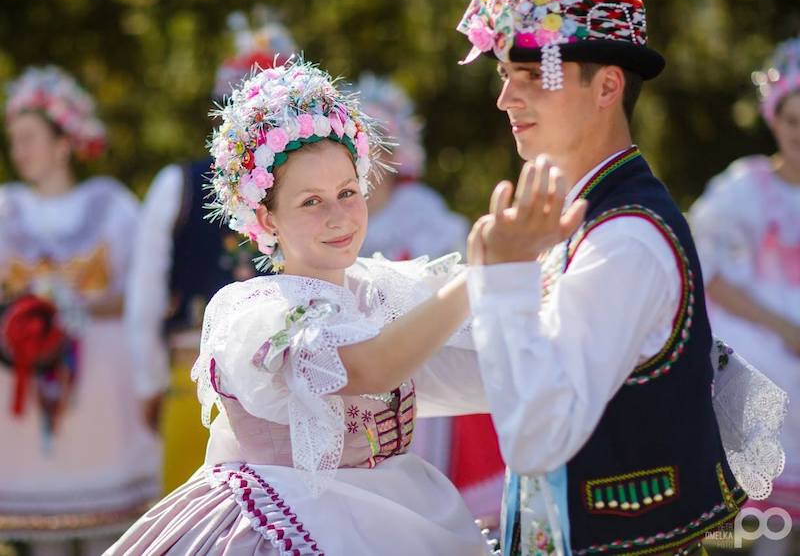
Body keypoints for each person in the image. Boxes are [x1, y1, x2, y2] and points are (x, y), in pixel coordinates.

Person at [107, 57, 561, 555]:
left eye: (348, 192)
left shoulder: (383, 289)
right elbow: (368, 368)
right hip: (281, 521)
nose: (338, 216)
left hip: (403, 515)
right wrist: (481, 274)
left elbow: (476, 373)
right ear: (267, 217)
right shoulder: (254, 312)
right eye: (310, 201)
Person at [455, 0, 772, 554]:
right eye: (504, 76)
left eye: (531, 75)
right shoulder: (581, 216)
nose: (506, 99)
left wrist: (500, 278)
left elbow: (537, 438)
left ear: (606, 88)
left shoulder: (625, 237)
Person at [125, 8, 296, 493]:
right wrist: (150, 381)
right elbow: (145, 291)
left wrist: (147, 382)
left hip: (255, 385)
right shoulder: (180, 184)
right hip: (212, 382)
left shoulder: (176, 183)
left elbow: (145, 297)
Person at [0, 66, 159, 555]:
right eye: (14, 140)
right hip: (24, 386)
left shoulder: (111, 204)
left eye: (29, 137)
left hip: (102, 388)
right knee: (43, 534)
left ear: (63, 142)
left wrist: (79, 306)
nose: (18, 150)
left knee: (109, 534)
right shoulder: (6, 207)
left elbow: (143, 288)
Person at [355, 72, 504, 525]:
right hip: (362, 362)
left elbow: (452, 282)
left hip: (419, 357)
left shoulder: (423, 213)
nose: (369, 160)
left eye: (378, 148)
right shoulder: (342, 211)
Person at [689, 35, 800, 556]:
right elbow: (704, 269)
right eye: (792, 119)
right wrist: (784, 329)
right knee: (743, 526)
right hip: (762, 346)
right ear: (774, 119)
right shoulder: (744, 187)